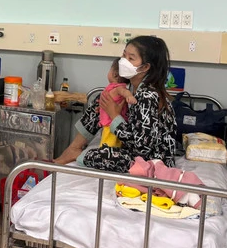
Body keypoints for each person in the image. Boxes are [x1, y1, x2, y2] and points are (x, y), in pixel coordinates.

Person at [55, 36, 177, 173]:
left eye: (131, 58)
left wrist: (114, 115)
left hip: (152, 161)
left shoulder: (147, 96)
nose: (124, 61)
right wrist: (107, 110)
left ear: (145, 67)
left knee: (107, 156)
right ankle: (74, 148)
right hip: (133, 149)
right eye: (124, 55)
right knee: (103, 99)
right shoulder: (131, 88)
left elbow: (141, 148)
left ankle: (77, 154)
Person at [98, 58, 137, 148]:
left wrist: (129, 96)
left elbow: (124, 91)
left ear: (115, 74)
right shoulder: (111, 87)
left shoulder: (118, 87)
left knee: (108, 145)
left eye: (110, 70)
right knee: (108, 142)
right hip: (109, 123)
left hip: (112, 124)